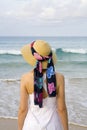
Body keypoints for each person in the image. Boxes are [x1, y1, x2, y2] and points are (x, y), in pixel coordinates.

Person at [18, 40, 68, 130]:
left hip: (31, 125)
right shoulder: (60, 78)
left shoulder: (25, 78)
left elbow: (22, 109)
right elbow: (62, 109)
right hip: (53, 125)